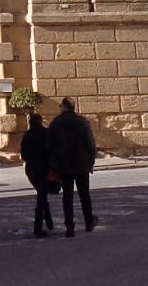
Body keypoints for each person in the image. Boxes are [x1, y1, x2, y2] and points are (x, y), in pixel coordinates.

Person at [46, 96, 98, 237]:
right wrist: (90, 161)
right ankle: (88, 221)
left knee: (67, 197)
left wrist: (52, 164)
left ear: (63, 107)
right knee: (84, 194)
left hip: (64, 165)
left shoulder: (56, 123)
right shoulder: (82, 123)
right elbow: (90, 144)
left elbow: (48, 145)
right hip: (81, 164)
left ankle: (70, 227)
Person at [19, 112, 54, 236]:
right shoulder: (47, 133)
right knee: (42, 195)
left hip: (32, 169)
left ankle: (48, 221)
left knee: (41, 193)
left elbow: (23, 154)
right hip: (45, 167)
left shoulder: (27, 136)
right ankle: (38, 228)